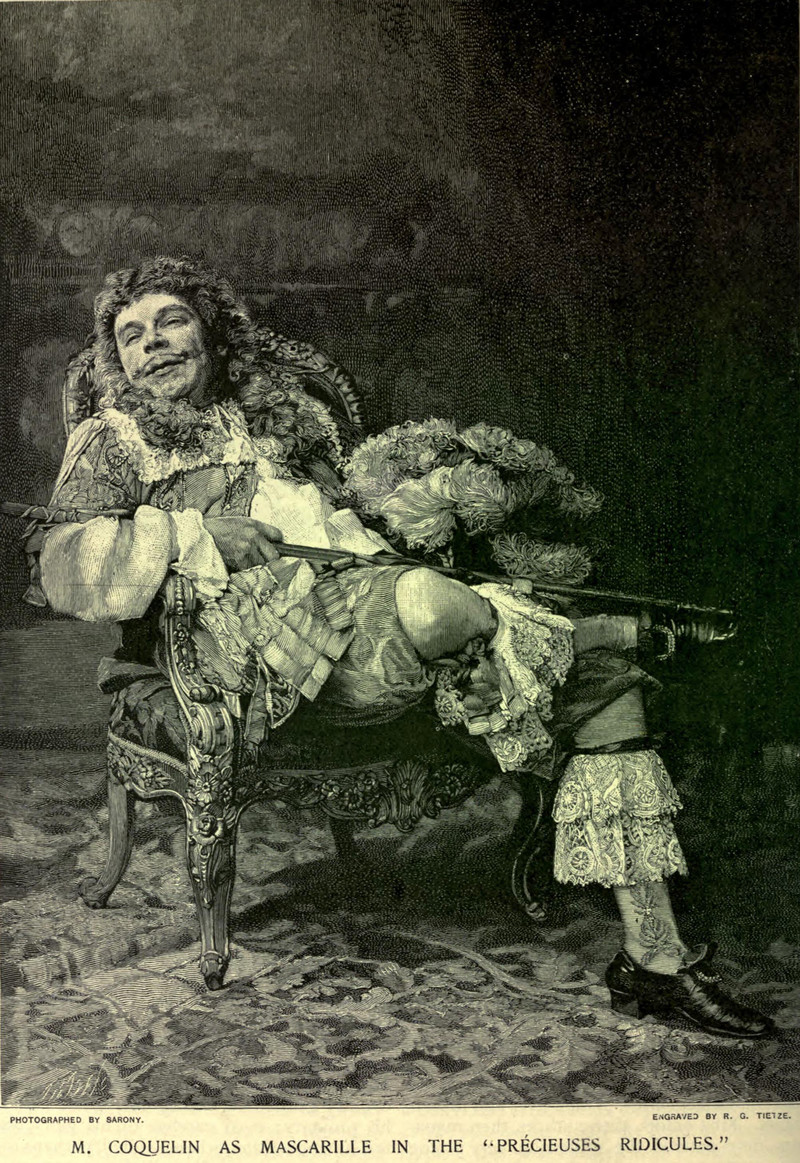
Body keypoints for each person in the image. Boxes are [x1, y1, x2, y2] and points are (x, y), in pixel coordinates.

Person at [29, 256, 772, 1038]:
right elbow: (62, 564)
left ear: (212, 334)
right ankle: (584, 630)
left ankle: (655, 957)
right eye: (131, 334)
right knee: (435, 606)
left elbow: (357, 528)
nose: (152, 343)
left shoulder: (281, 424)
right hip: (264, 655)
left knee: (606, 685)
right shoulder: (112, 440)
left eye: (170, 321)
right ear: (119, 360)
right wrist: (192, 534)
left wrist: (421, 510)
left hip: (362, 600)